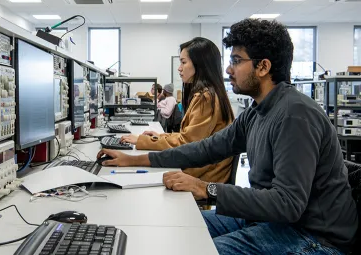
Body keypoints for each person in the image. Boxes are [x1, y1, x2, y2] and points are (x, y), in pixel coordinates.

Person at [98, 18, 357, 254]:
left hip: (313, 236)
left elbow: (287, 203)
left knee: (192, 250)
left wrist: (206, 189)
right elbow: (205, 148)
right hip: (271, 219)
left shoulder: (295, 115)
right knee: (173, 225)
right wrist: (133, 160)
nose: (229, 70)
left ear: (263, 66)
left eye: (236, 61)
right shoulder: (257, 111)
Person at [121, 37, 235, 184]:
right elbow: (188, 137)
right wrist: (160, 137)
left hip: (202, 178)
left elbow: (188, 145)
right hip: (201, 170)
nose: (179, 68)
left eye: (183, 62)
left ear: (199, 64)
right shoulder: (209, 94)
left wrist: (143, 141)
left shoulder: (206, 98)